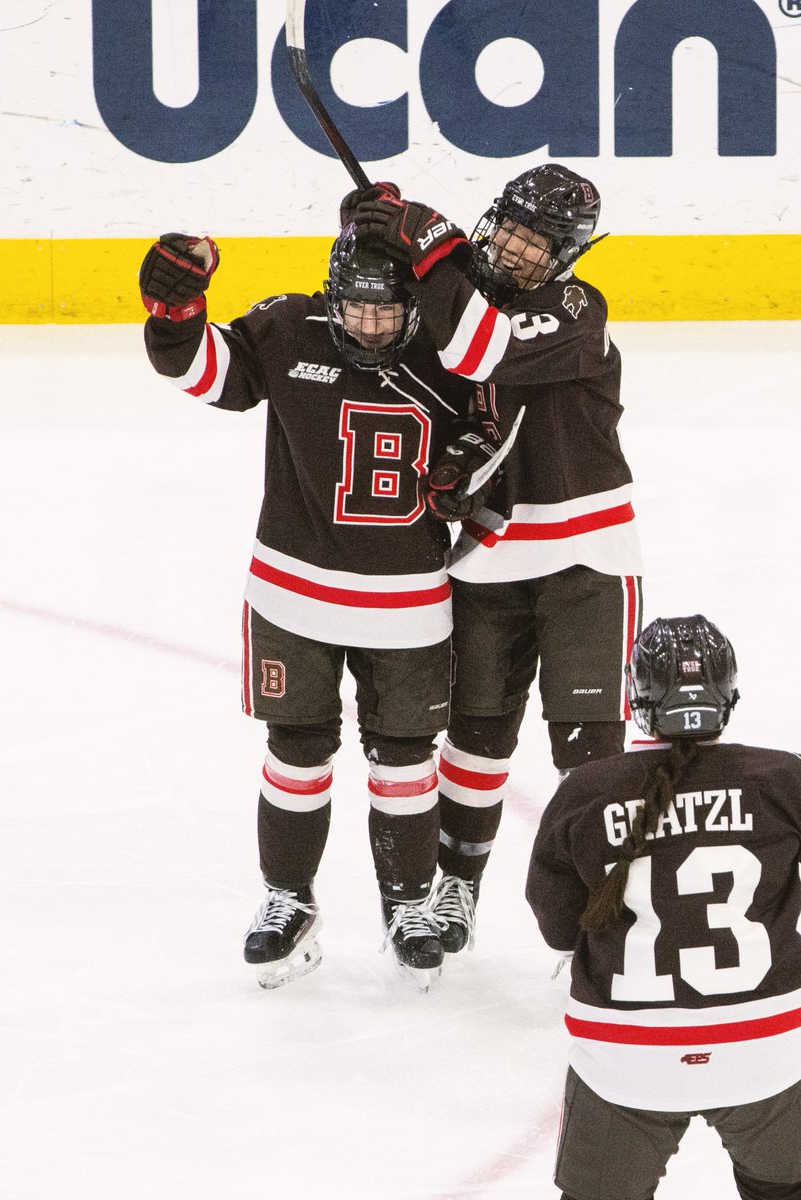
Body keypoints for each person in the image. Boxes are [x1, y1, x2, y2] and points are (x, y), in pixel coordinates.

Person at [138, 224, 489, 991]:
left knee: (405, 760)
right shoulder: (287, 325)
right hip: (292, 593)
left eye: (387, 314)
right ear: (333, 301)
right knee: (296, 750)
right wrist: (176, 311)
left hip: (409, 606)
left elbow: (499, 436)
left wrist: (474, 477)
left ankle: (408, 905)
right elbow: (204, 374)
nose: (370, 327)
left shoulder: (451, 351)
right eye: (356, 312)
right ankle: (287, 900)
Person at [351, 166, 643, 952]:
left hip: (586, 558)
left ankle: (604, 906)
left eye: (536, 241)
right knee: (475, 741)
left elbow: (485, 350)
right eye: (509, 228)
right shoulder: (459, 301)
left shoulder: (577, 308)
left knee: (590, 756)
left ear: (567, 254)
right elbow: (378, 325)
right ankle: (456, 887)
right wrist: (375, 232)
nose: (514, 249)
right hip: (488, 557)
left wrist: (429, 247)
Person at [525, 614, 801, 1200]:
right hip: (769, 1051)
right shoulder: (793, 780)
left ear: (635, 699)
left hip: (625, 1059)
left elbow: (557, 927)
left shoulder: (583, 792)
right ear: (730, 697)